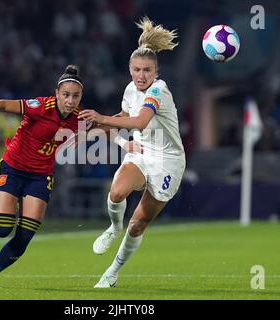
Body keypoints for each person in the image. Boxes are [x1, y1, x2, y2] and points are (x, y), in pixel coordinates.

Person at [0, 65, 90, 288]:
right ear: (57, 94)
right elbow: (1, 103)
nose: (70, 100)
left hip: (40, 176)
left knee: (25, 234)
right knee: (2, 229)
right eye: (66, 95)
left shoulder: (80, 118)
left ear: (81, 97)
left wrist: (124, 140)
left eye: (75, 96)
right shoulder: (40, 106)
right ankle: (13, 203)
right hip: (13, 168)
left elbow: (103, 126)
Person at [78, 17, 186, 288]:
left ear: (156, 71)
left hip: (168, 162)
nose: (141, 76)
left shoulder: (159, 91)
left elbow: (138, 122)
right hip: (141, 150)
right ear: (129, 70)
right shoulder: (130, 89)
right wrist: (99, 131)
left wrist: (102, 119)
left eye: (147, 70)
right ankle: (114, 226)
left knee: (138, 223)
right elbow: (125, 116)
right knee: (116, 193)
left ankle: (113, 271)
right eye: (137, 70)